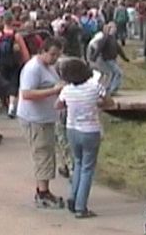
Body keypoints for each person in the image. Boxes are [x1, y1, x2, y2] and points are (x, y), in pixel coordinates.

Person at [56, 58, 112, 219]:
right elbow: (110, 102)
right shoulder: (95, 87)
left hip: (72, 129)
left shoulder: (67, 89)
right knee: (88, 168)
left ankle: (73, 196)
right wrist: (96, 104)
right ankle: (81, 206)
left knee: (78, 164)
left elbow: (57, 105)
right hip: (90, 130)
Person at [17, 36, 65, 209]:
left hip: (46, 117)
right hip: (35, 119)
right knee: (42, 154)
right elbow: (27, 94)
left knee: (47, 154)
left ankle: (44, 189)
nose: (55, 59)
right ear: (42, 51)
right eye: (52, 55)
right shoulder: (33, 69)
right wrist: (53, 90)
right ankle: (42, 193)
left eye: (57, 55)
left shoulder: (48, 67)